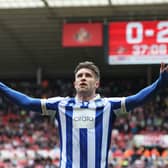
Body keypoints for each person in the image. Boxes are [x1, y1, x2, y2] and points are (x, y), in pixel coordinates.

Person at [0, 61, 168, 168]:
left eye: (88, 76)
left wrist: (160, 82)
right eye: (79, 76)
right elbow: (27, 102)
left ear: (97, 83)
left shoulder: (108, 105)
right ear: (74, 83)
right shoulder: (61, 105)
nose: (83, 78)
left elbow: (138, 99)